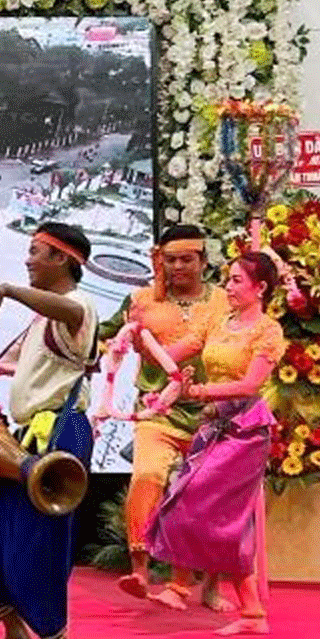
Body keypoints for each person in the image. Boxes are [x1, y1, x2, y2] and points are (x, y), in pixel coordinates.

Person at [0, 222, 98, 639]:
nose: (26, 259)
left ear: (61, 259)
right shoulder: (44, 322)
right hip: (26, 437)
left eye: (35, 252)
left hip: (61, 434)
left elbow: (63, 308)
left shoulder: (79, 306)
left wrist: (9, 290)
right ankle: (15, 634)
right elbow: (14, 370)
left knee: (37, 544)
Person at [146, 252, 287, 636]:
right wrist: (157, 375)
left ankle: (192, 590)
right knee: (183, 497)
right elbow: (173, 357)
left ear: (260, 288)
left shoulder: (268, 331)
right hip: (214, 425)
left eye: (237, 280)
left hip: (245, 432)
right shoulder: (217, 320)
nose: (228, 286)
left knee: (218, 514)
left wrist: (199, 391)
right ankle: (238, 607)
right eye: (228, 279)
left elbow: (249, 386)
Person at [96, 224, 231, 605]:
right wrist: (110, 344)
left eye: (186, 259)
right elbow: (106, 336)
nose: (178, 267)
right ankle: (139, 568)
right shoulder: (142, 299)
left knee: (208, 497)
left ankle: (211, 584)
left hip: (212, 414)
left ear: (203, 261)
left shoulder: (223, 301)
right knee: (148, 476)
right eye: (170, 260)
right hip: (158, 412)